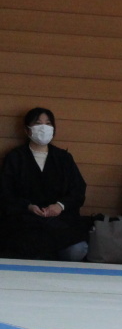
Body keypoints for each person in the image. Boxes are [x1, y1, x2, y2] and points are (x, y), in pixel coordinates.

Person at [0, 107, 88, 261]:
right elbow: (5, 193)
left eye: (48, 124)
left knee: (78, 250)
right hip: (24, 223)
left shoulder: (63, 158)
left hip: (59, 223)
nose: (43, 127)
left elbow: (78, 190)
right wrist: (28, 206)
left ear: (53, 129)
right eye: (38, 123)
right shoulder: (15, 158)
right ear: (27, 130)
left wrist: (60, 206)